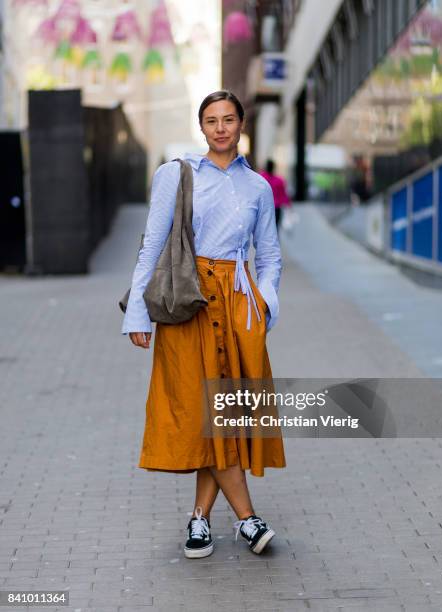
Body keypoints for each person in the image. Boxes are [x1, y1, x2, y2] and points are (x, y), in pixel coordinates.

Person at [121, 90, 286, 559]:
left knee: (227, 412)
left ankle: (199, 522)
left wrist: (264, 305)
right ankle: (247, 520)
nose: (220, 128)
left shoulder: (257, 187)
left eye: (228, 119)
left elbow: (270, 255)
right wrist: (138, 313)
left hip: (238, 308)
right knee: (201, 412)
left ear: (240, 125)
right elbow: (152, 245)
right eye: (211, 120)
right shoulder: (176, 175)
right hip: (187, 304)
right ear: (202, 126)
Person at [258, 159, 291, 230]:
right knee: (275, 230)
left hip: (264, 208)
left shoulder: (260, 178)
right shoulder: (279, 180)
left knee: (263, 230)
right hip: (276, 208)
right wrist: (289, 206)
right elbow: (283, 195)